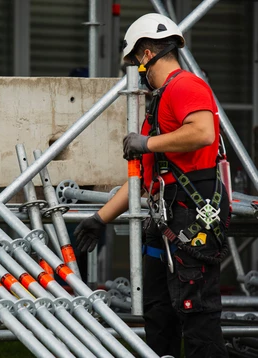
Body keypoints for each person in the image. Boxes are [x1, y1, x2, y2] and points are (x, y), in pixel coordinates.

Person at [74, 13, 230, 358]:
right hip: (166, 217)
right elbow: (143, 182)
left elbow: (203, 132)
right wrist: (100, 218)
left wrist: (147, 143)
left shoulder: (185, 85)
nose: (136, 72)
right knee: (159, 312)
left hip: (191, 217)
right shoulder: (158, 105)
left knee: (197, 312)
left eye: (134, 62)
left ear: (146, 54)